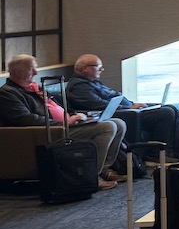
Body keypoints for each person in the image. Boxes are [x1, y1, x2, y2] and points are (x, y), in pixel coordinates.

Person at [1, 53, 130, 189]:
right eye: (31, 69)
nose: (36, 72)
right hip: (49, 132)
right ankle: (90, 176)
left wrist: (76, 115)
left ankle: (103, 169)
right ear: (16, 72)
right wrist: (64, 122)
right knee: (108, 127)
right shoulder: (8, 93)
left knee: (119, 124)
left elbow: (61, 107)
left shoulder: (34, 88)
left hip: (65, 125)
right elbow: (25, 119)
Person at [66, 53, 179, 156]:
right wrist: (128, 107)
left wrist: (133, 104)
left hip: (129, 110)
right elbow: (98, 105)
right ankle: (156, 154)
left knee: (171, 108)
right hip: (124, 114)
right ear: (85, 68)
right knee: (166, 113)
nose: (102, 69)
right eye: (98, 67)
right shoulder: (78, 87)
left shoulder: (93, 82)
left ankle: (172, 151)